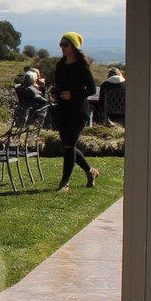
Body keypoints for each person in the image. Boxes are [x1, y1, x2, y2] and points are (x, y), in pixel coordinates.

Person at [50, 31, 100, 190]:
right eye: (61, 45)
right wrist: (56, 93)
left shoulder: (81, 66)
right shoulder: (60, 65)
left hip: (78, 111)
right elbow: (59, 85)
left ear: (74, 47)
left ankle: (64, 182)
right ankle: (90, 171)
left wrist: (73, 94)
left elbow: (91, 89)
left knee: (69, 146)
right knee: (67, 145)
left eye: (65, 45)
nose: (62, 48)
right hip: (63, 110)